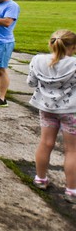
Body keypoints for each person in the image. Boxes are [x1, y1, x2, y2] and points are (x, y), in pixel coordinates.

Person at [27, 30, 76, 203]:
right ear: (74, 47)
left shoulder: (38, 60)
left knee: (46, 143)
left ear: (51, 43)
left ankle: (40, 178)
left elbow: (31, 82)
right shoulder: (74, 64)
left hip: (47, 108)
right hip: (71, 110)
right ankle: (71, 189)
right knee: (71, 150)